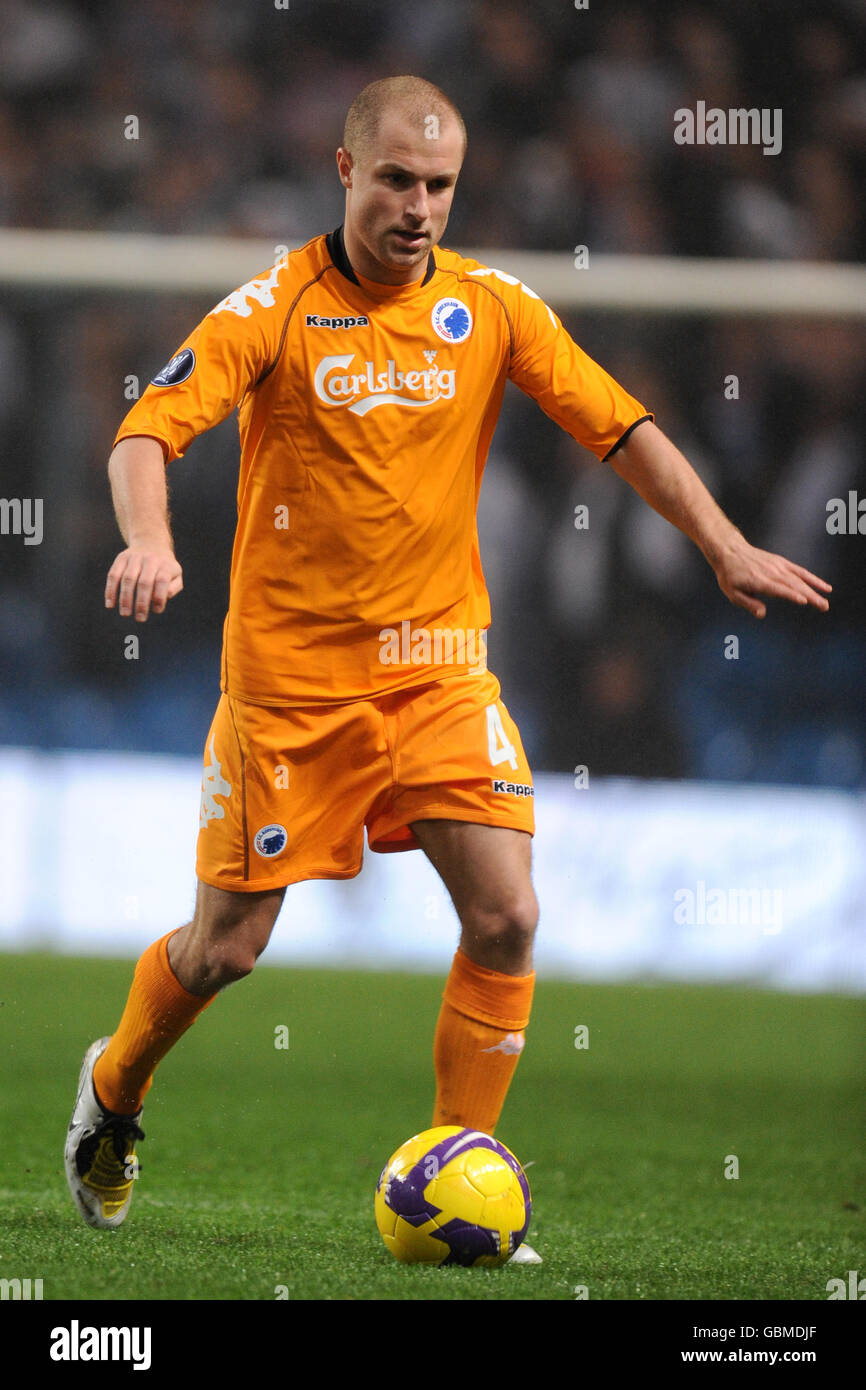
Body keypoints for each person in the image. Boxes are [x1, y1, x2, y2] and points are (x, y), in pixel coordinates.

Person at [65, 76, 831, 1265]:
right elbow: (144, 431)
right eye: (396, 181)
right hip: (291, 689)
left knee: (508, 915)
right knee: (224, 950)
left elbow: (617, 423)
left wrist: (723, 543)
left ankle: (452, 1172)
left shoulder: (492, 306)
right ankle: (113, 1090)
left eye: (438, 186)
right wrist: (151, 539)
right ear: (344, 171)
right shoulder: (271, 308)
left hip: (437, 675)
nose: (419, 207)